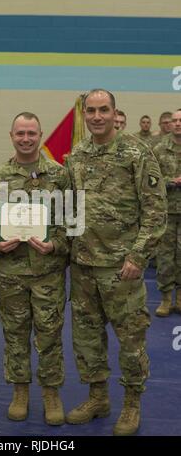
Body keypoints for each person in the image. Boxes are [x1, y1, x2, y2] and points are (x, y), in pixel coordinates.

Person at [65, 89, 167, 436]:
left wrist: (138, 256)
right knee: (87, 339)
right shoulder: (77, 154)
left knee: (130, 341)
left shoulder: (136, 152)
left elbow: (156, 210)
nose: (96, 116)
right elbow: (72, 208)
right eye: (90, 110)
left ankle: (131, 404)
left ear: (114, 113)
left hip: (122, 268)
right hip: (83, 265)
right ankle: (97, 398)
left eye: (103, 110)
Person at [0, 112, 70, 425]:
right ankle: (20, 391)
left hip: (48, 272)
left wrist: (54, 245)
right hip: (12, 273)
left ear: (40, 134)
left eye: (32, 133)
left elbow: (73, 223)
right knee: (15, 334)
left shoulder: (59, 175)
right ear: (11, 135)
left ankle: (51, 393)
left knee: (50, 335)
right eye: (21, 133)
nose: (26, 139)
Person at [154, 109, 181, 316]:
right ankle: (165, 298)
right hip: (167, 212)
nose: (178, 124)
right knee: (164, 257)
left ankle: (180, 298)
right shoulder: (160, 149)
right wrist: (171, 181)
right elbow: (151, 181)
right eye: (174, 120)